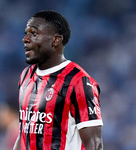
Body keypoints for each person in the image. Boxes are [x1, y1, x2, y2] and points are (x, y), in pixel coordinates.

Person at [13, 10, 103, 150]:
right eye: (26, 33)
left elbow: (95, 145)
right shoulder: (26, 75)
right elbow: (24, 134)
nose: (25, 39)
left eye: (34, 33)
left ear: (56, 40)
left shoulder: (78, 81)